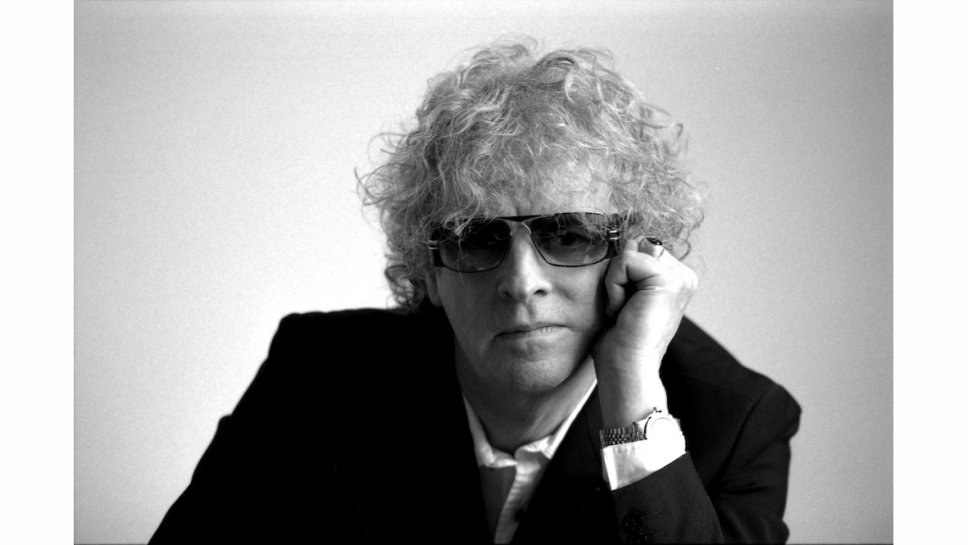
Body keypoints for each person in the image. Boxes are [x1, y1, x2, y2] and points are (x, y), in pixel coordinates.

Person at [149, 38, 801, 544]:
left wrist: (633, 403)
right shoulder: (317, 371)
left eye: (569, 234)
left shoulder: (737, 425)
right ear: (428, 268)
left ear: (635, 252)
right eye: (474, 237)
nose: (521, 282)